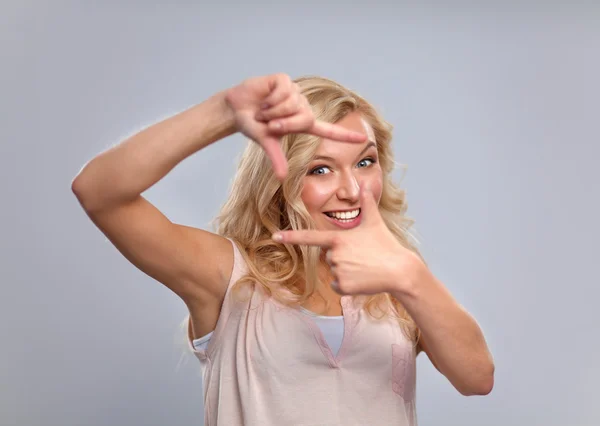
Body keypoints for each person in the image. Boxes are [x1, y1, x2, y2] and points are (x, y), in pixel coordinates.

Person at [72, 73, 495, 425]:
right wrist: (222, 113)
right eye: (321, 169)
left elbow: (477, 378)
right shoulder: (229, 276)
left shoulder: (399, 277)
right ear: (281, 180)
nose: (351, 189)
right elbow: (98, 193)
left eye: (365, 162)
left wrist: (410, 276)